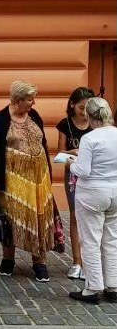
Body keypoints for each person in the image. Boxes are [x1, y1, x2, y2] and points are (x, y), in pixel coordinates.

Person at [0, 80, 57, 282]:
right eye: (29, 99)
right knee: (11, 218)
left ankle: (39, 262)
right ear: (17, 100)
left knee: (39, 217)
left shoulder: (34, 116)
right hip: (12, 179)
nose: (33, 103)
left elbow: (43, 143)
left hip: (38, 179)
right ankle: (8, 260)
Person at [66, 98, 117, 304]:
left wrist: (71, 163)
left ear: (88, 115)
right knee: (112, 240)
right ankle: (113, 285)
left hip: (92, 193)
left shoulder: (89, 138)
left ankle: (92, 287)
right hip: (115, 190)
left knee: (90, 240)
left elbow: (83, 171)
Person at [56, 87, 95, 280]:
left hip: (93, 176)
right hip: (72, 176)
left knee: (94, 219)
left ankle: (91, 263)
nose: (84, 111)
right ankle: (77, 261)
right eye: (81, 107)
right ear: (72, 105)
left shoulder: (95, 124)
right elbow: (60, 156)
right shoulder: (66, 124)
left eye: (88, 107)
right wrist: (74, 153)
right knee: (74, 216)